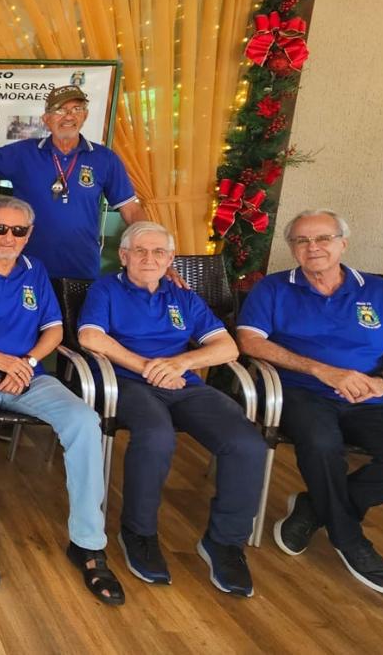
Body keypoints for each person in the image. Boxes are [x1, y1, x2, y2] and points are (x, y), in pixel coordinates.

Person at [238, 210, 383, 595]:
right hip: (297, 391)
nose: (312, 247)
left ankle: (314, 508)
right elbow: (250, 341)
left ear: (343, 244)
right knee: (321, 444)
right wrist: (321, 371)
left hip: (367, 396)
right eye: (301, 240)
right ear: (292, 248)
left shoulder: (382, 293)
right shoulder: (274, 288)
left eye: (323, 238)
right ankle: (350, 540)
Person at [0, 196, 122, 604]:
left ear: (29, 234)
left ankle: (88, 541)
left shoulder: (35, 270)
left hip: (30, 376)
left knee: (84, 420)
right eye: (0, 228)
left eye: (18, 230)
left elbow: (54, 330)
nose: (8, 237)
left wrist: (27, 362)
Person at [79, 221, 265, 597]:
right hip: (126, 383)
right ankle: (139, 532)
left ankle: (224, 543)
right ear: (124, 256)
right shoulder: (107, 289)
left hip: (183, 384)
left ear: (170, 259)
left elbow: (227, 347)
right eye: (140, 251)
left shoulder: (183, 297)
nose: (149, 258)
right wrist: (149, 368)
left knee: (247, 443)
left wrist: (180, 364)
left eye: (159, 252)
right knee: (156, 436)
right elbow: (90, 336)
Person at [0, 85, 144, 279]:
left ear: (85, 115)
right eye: (60, 110)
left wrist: (151, 247)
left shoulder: (105, 158)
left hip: (81, 268)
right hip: (25, 268)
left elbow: (131, 210)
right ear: (46, 119)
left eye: (76, 109)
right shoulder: (22, 153)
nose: (69, 116)